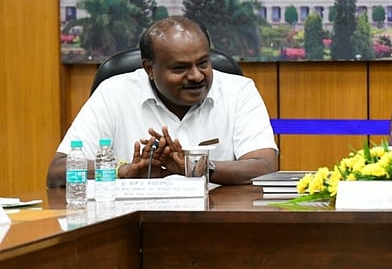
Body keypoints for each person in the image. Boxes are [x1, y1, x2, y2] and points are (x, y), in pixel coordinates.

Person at [47, 16, 278, 187]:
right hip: (131, 226)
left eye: (203, 63)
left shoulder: (238, 91)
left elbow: (265, 166)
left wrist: (196, 167)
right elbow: (58, 171)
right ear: (149, 69)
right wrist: (122, 171)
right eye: (180, 68)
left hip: (217, 226)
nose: (197, 75)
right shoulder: (114, 92)